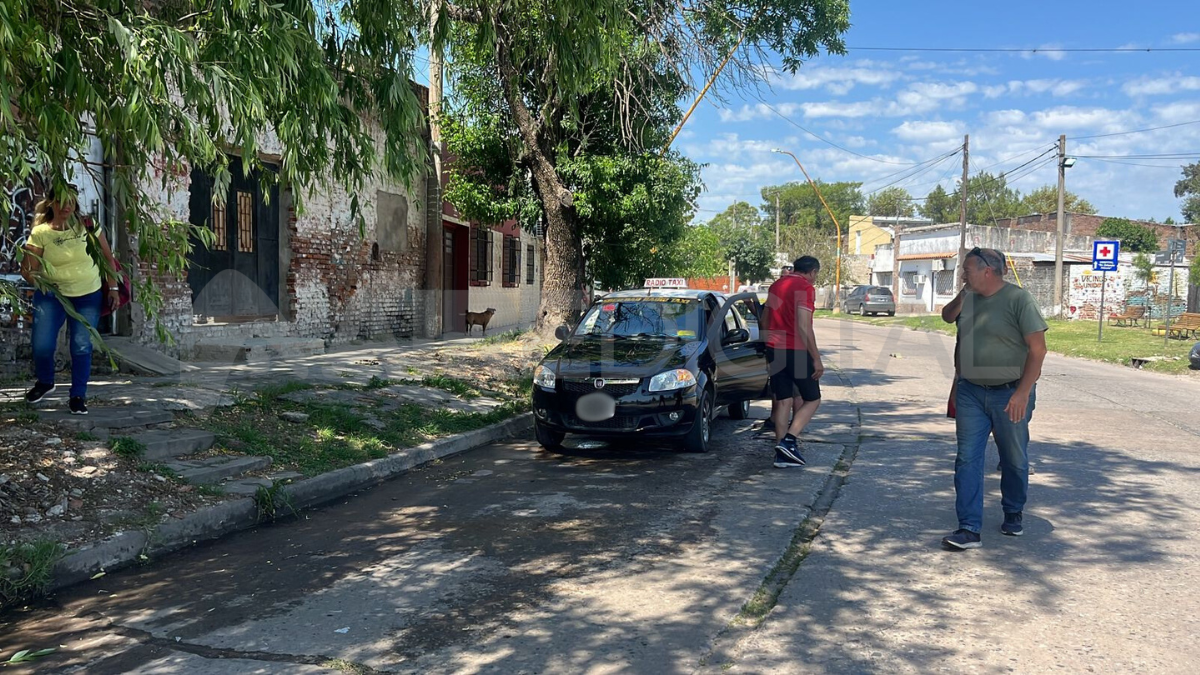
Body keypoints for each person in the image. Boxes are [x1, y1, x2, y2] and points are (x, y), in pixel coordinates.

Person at [941, 248, 1048, 550]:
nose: (963, 274)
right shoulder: (969, 298)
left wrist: (1022, 393)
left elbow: (1038, 350)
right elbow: (947, 317)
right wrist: (962, 295)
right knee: (967, 459)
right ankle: (968, 528)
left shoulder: (1019, 300)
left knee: (1014, 458)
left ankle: (1013, 510)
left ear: (987, 271)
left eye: (968, 270)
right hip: (971, 391)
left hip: (1010, 392)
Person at [20, 192, 122, 415]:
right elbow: (28, 270)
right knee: (42, 345)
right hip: (52, 296)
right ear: (51, 203)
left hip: (88, 294)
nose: (67, 206)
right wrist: (44, 284)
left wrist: (113, 288)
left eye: (71, 201)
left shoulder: (87, 225)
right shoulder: (41, 232)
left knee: (81, 345)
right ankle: (46, 382)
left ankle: (78, 395)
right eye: (61, 201)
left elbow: (107, 257)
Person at [761, 256, 824, 469]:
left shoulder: (776, 285)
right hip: (795, 349)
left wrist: (766, 344)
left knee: (783, 400)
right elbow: (804, 326)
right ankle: (789, 440)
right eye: (816, 275)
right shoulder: (805, 288)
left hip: (773, 348)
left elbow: (765, 318)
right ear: (813, 272)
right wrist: (816, 358)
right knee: (813, 398)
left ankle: (781, 454)